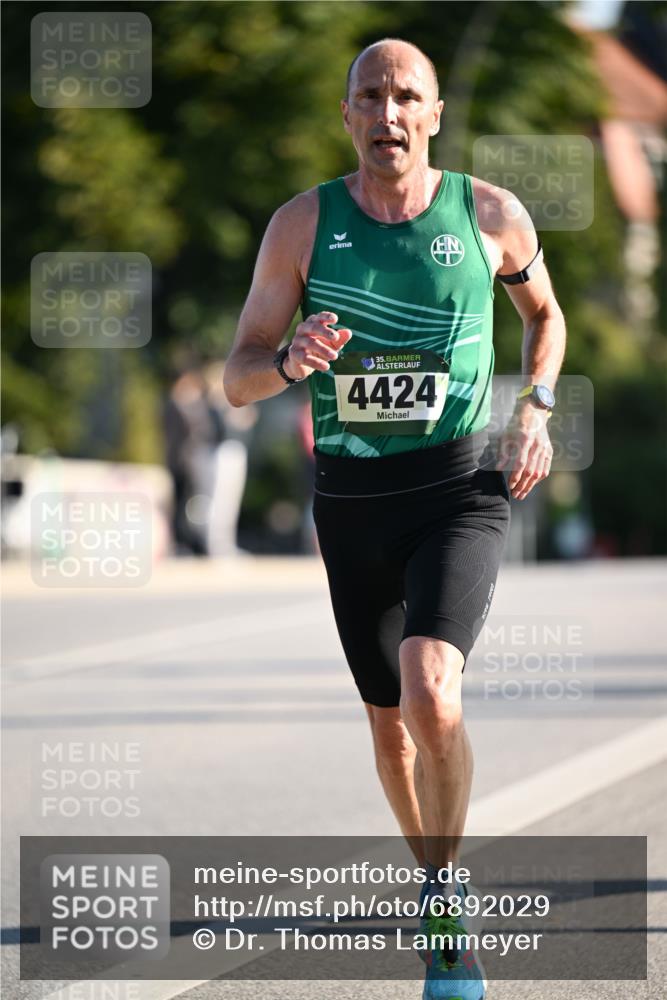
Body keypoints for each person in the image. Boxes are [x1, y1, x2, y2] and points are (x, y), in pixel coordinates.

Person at [224, 38, 565, 999]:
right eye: (368, 97)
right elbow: (237, 374)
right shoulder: (302, 227)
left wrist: (533, 407)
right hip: (352, 500)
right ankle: (431, 875)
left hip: (458, 486)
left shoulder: (488, 213)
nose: (386, 114)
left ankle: (449, 901)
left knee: (432, 689)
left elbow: (547, 318)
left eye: (404, 96)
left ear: (434, 113)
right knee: (389, 730)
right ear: (346, 117)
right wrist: (289, 362)